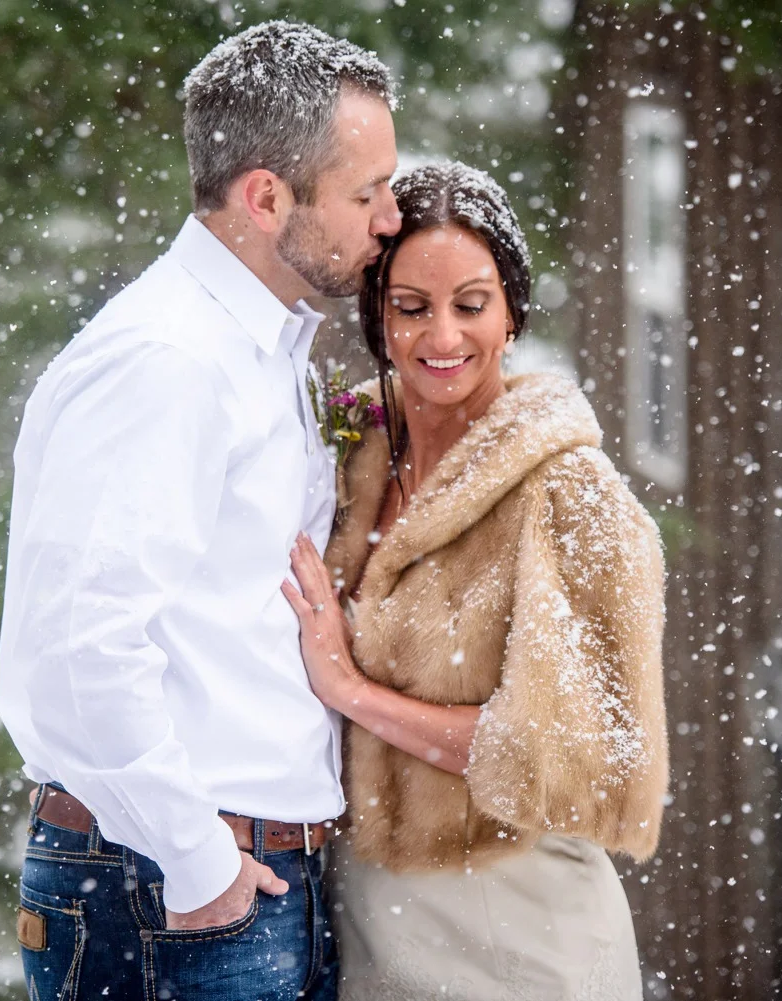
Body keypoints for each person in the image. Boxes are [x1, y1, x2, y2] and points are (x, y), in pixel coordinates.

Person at [0, 21, 400, 1001]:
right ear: (265, 198)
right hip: (171, 894)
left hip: (235, 884)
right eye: (365, 192)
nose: (389, 217)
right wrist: (200, 863)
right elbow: (78, 646)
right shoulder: (167, 361)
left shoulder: (256, 349)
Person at [281, 162, 669, 1001]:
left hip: (526, 934)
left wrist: (351, 689)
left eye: (471, 303)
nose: (442, 337)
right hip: (370, 927)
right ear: (378, 318)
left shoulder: (571, 496)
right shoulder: (348, 461)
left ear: (514, 313)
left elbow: (582, 756)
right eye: (413, 308)